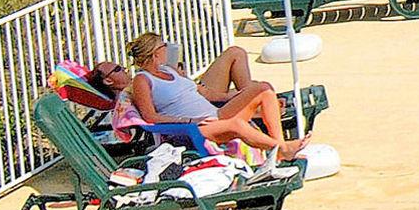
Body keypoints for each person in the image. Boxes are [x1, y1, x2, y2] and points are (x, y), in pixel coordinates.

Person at [101, 35, 306, 161]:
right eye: (164, 46)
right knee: (237, 125)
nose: (167, 49)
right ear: (155, 53)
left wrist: (237, 96)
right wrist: (190, 120)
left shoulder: (169, 70)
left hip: (215, 113)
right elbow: (150, 117)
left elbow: (204, 93)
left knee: (264, 89)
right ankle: (282, 148)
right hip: (193, 128)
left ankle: (279, 149)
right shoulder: (142, 80)